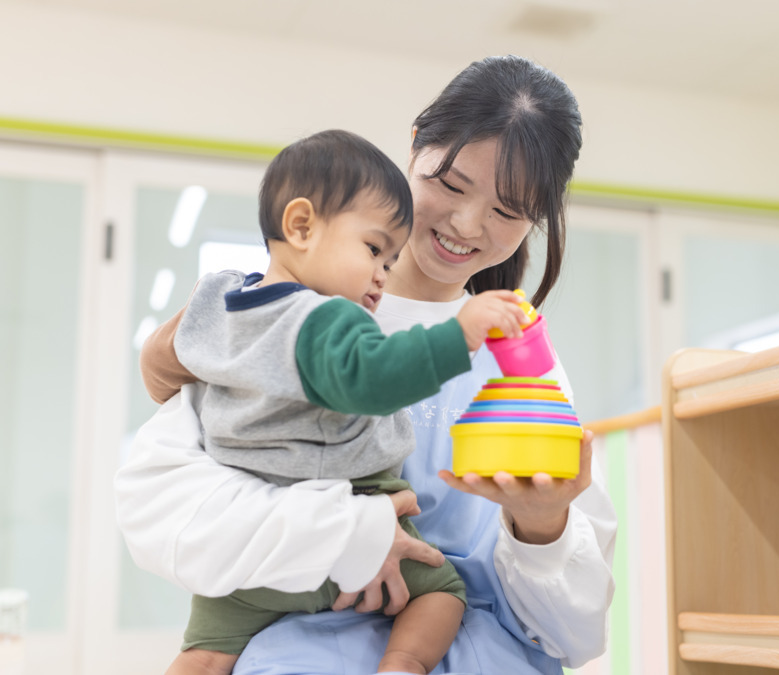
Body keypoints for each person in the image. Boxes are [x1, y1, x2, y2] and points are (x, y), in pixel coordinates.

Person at [116, 55, 617, 675]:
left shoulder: (522, 364)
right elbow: (161, 512)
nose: (466, 225)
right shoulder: (277, 318)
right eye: (452, 185)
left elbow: (575, 633)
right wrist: (344, 535)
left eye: (508, 212)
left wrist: (543, 529)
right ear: (415, 145)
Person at [149, 129, 529, 675]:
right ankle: (401, 665)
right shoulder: (327, 318)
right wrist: (459, 334)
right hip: (355, 521)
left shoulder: (220, 307)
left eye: (390, 257)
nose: (383, 272)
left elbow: (166, 370)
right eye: (374, 250)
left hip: (254, 557)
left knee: (205, 653)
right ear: (301, 225)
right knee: (442, 593)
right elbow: (375, 378)